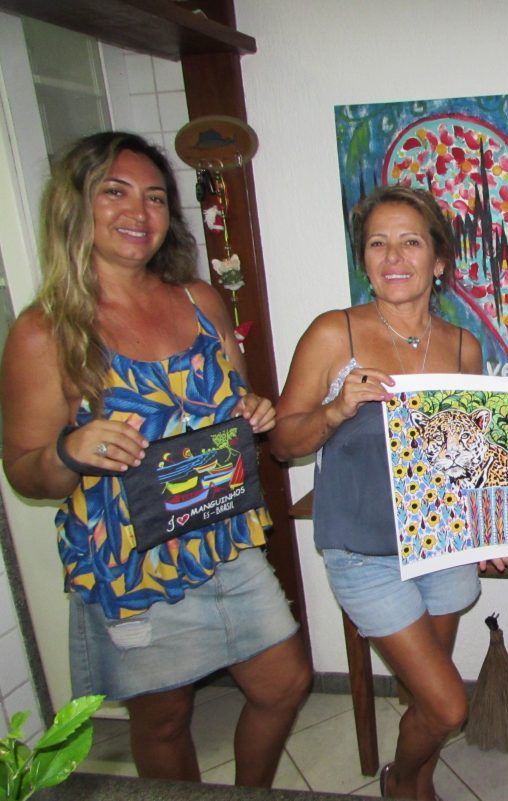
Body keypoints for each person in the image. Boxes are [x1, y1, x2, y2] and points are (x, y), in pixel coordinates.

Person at [0, 132, 311, 786]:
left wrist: (253, 409)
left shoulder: (200, 300)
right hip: (132, 561)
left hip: (221, 538)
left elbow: (236, 398)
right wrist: (69, 450)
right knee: (165, 718)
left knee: (284, 682)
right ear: (75, 205)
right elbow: (25, 469)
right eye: (115, 192)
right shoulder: (45, 332)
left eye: (155, 197)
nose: (139, 212)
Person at [270, 184, 508, 801]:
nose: (393, 256)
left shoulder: (462, 345)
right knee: (448, 704)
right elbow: (281, 442)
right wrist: (335, 410)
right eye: (377, 243)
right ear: (364, 259)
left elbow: (478, 452)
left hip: (443, 544)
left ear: (439, 260)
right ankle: (402, 783)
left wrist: (496, 528)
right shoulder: (334, 334)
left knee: (424, 699)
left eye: (411, 241)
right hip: (364, 553)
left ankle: (415, 785)